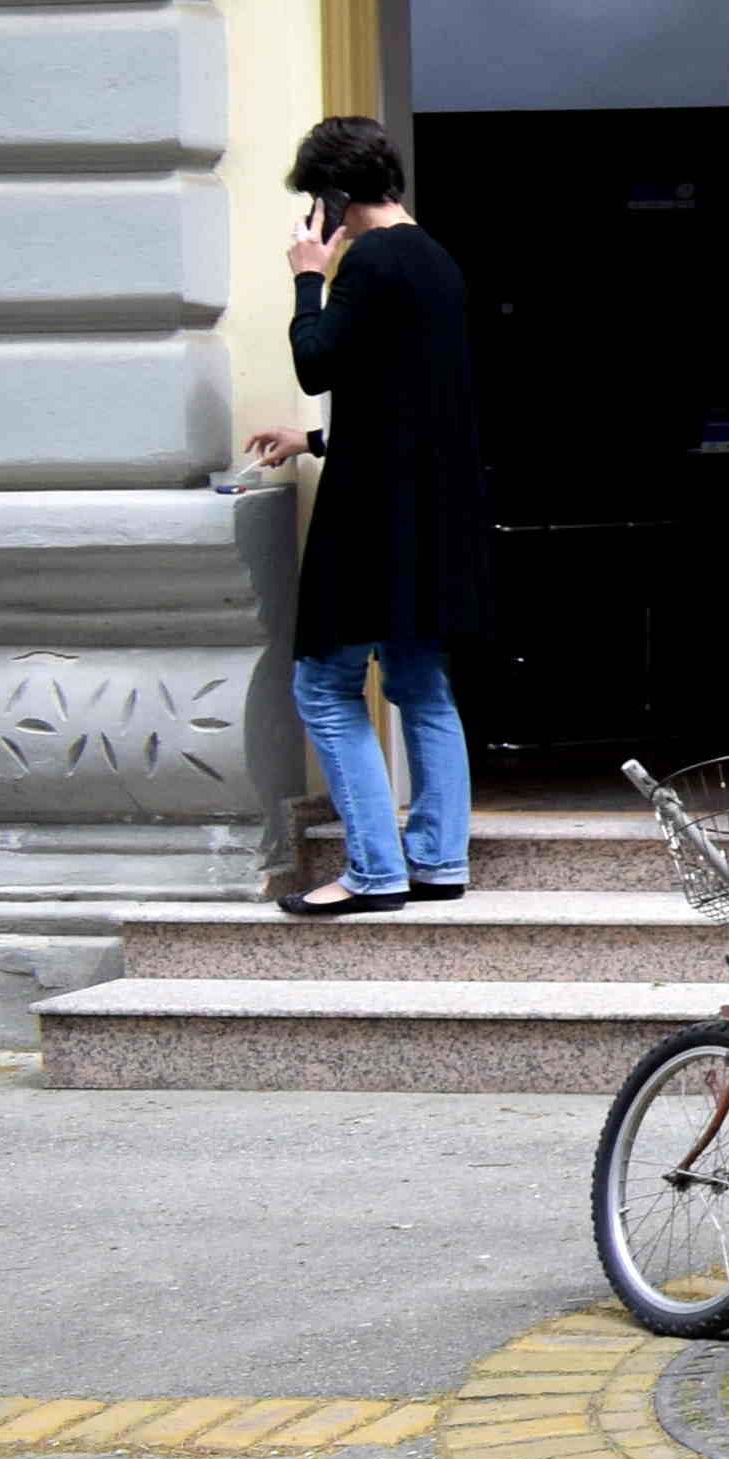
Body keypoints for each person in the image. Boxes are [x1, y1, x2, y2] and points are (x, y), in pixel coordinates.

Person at [243, 118, 490, 916]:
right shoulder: (436, 259)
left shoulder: (368, 260)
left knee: (323, 685)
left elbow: (317, 360)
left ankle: (376, 872)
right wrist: (313, 439)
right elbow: (411, 400)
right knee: (420, 682)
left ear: (333, 196)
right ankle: (439, 862)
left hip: (371, 515)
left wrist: (308, 277)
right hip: (432, 509)